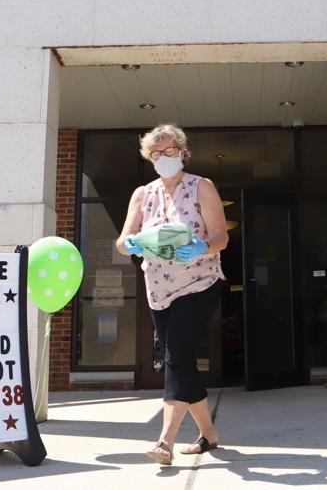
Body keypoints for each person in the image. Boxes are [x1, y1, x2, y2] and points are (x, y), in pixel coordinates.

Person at [117, 124, 229, 465]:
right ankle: (209, 434)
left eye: (169, 151)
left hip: (199, 283)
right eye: (156, 153)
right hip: (158, 289)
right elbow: (122, 241)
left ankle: (164, 441)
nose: (163, 158)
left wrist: (201, 247)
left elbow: (221, 237)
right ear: (148, 158)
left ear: (181, 152)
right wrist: (131, 244)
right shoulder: (142, 194)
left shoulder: (202, 186)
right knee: (180, 360)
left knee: (176, 355)